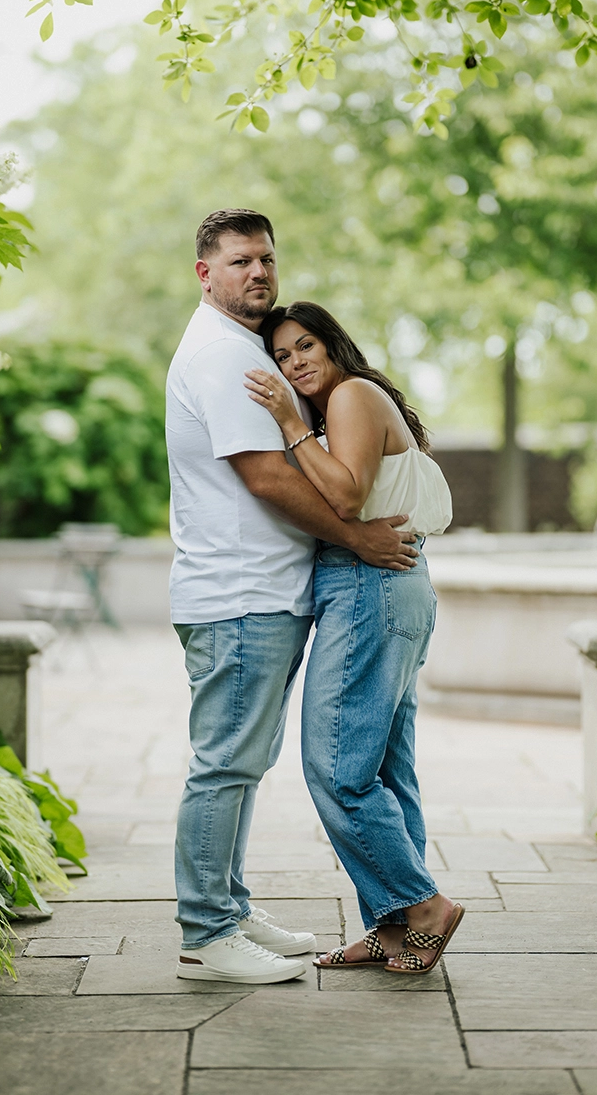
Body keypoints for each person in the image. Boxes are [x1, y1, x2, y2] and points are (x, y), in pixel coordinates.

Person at [166, 210, 417, 985]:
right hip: (239, 594)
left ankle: (230, 909)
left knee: (244, 762)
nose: (259, 273)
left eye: (267, 259)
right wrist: (356, 538)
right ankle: (207, 932)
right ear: (205, 273)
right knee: (225, 765)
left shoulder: (242, 347)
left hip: (260, 594)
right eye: (240, 260)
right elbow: (267, 475)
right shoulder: (221, 354)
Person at [243, 301, 462, 974]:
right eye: (281, 356)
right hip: (385, 586)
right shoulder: (344, 405)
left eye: (306, 346)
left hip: (370, 585)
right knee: (386, 770)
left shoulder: (351, 396)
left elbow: (346, 497)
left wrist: (288, 424)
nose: (295, 364)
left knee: (336, 766)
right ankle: (392, 927)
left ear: (334, 344)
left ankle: (423, 906)